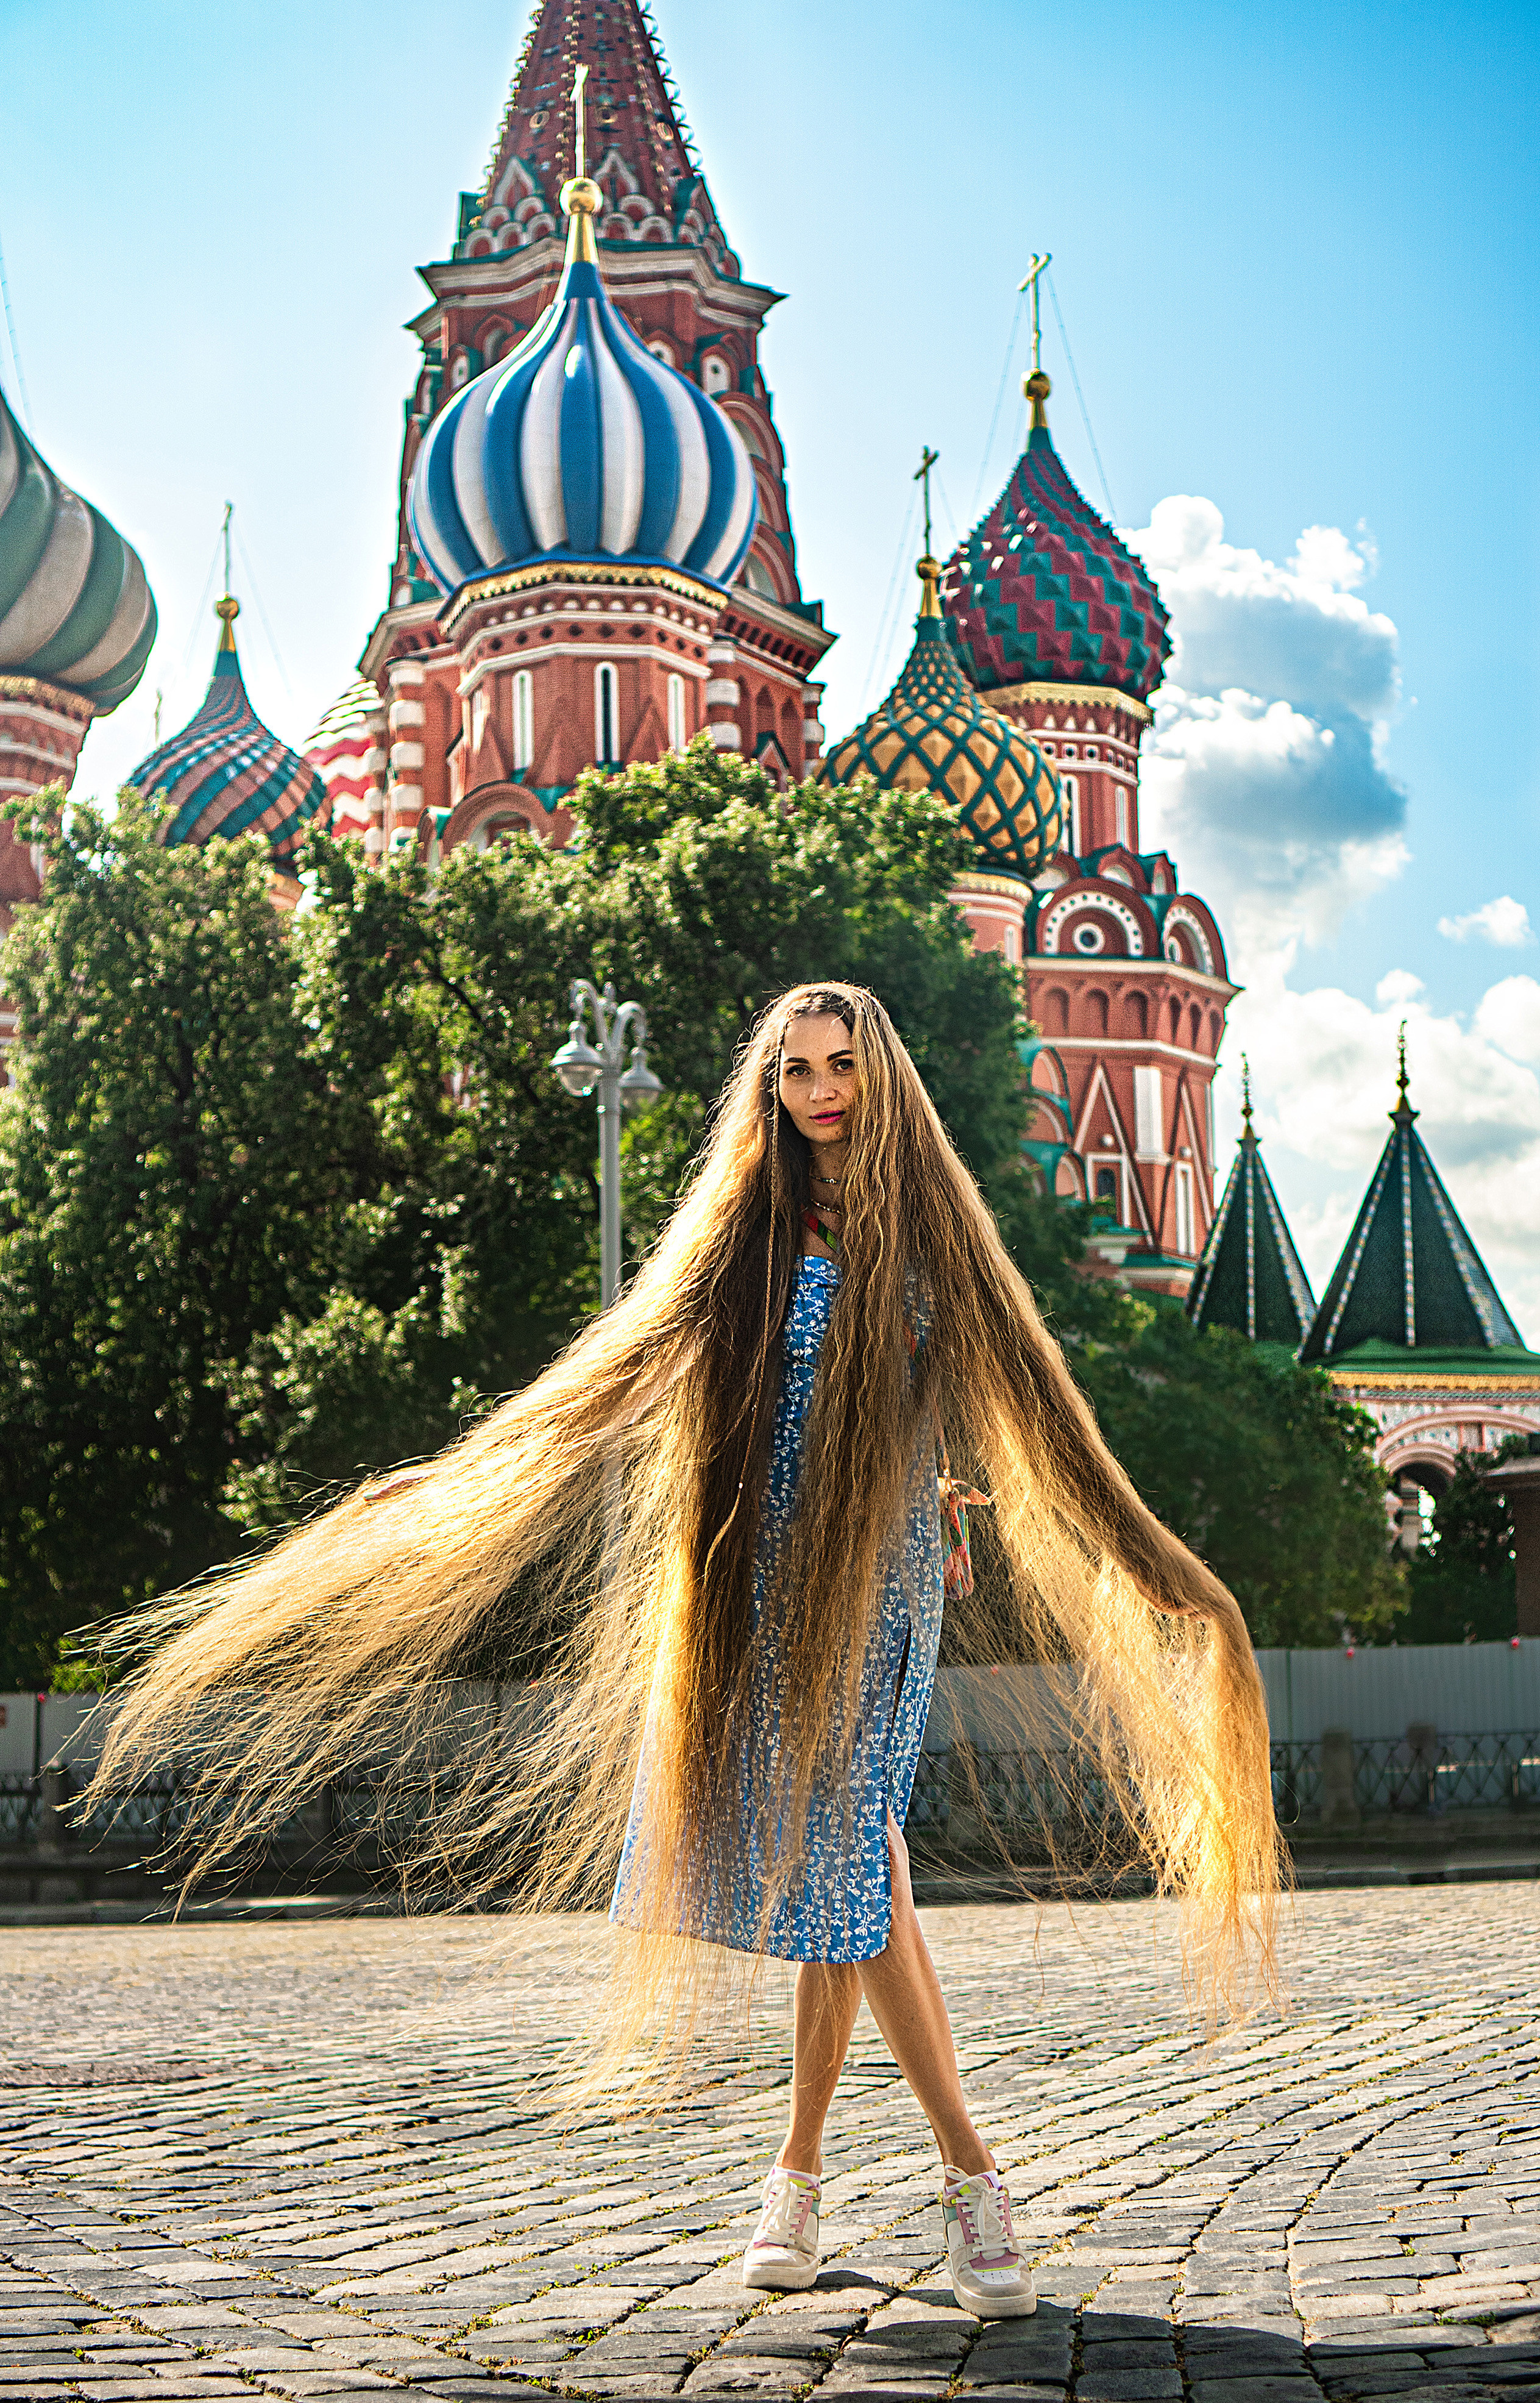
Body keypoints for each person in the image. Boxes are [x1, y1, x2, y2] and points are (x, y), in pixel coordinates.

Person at [94, 981, 1281, 2322]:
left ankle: (963, 2177)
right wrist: (454, 1482)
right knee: (844, 1875)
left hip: (881, 1589)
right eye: (795, 1070)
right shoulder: (744, 1231)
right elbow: (618, 1376)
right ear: (769, 1090)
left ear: (881, 1077)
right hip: (753, 1586)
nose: (820, 1090)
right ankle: (803, 2174)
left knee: (850, 1854)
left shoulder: (935, 1239)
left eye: (841, 1065)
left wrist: (1159, 1567)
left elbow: (1041, 1419)